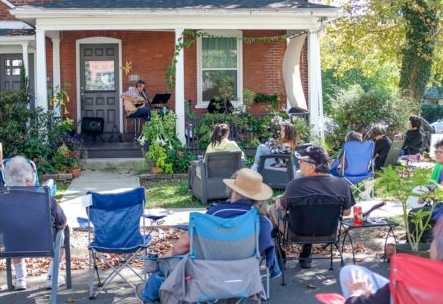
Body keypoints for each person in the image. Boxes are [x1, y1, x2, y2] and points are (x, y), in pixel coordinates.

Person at [140, 168, 281, 302]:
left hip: (205, 277)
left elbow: (183, 245)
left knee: (166, 264)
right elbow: (259, 255)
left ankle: (148, 297)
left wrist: (167, 257)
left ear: (233, 192)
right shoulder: (263, 223)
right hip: (242, 279)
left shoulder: (215, 214)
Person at [268, 145, 355, 269]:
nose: (299, 163)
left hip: (297, 233)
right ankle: (306, 253)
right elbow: (347, 212)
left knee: (272, 209)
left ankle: (280, 255)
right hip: (328, 233)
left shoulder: (295, 186)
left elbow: (282, 207)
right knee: (313, 217)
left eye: (301, 161)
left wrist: (277, 202)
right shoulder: (342, 184)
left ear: (312, 166)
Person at [339, 217, 443, 304]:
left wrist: (357, 295)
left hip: (405, 294)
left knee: (348, 272)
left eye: (433, 238)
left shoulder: (413, 278)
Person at [3, 156, 67, 291]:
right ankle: (51, 277)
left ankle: (20, 279)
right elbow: (62, 222)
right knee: (61, 234)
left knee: (13, 234)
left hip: (14, 246)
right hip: (44, 244)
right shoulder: (44, 198)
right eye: (33, 174)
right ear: (28, 181)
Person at [188, 123, 244, 190]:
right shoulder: (232, 144)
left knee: (193, 167)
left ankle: (193, 189)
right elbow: (242, 158)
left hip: (211, 176)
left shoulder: (211, 146)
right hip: (230, 174)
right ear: (227, 133)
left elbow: (204, 162)